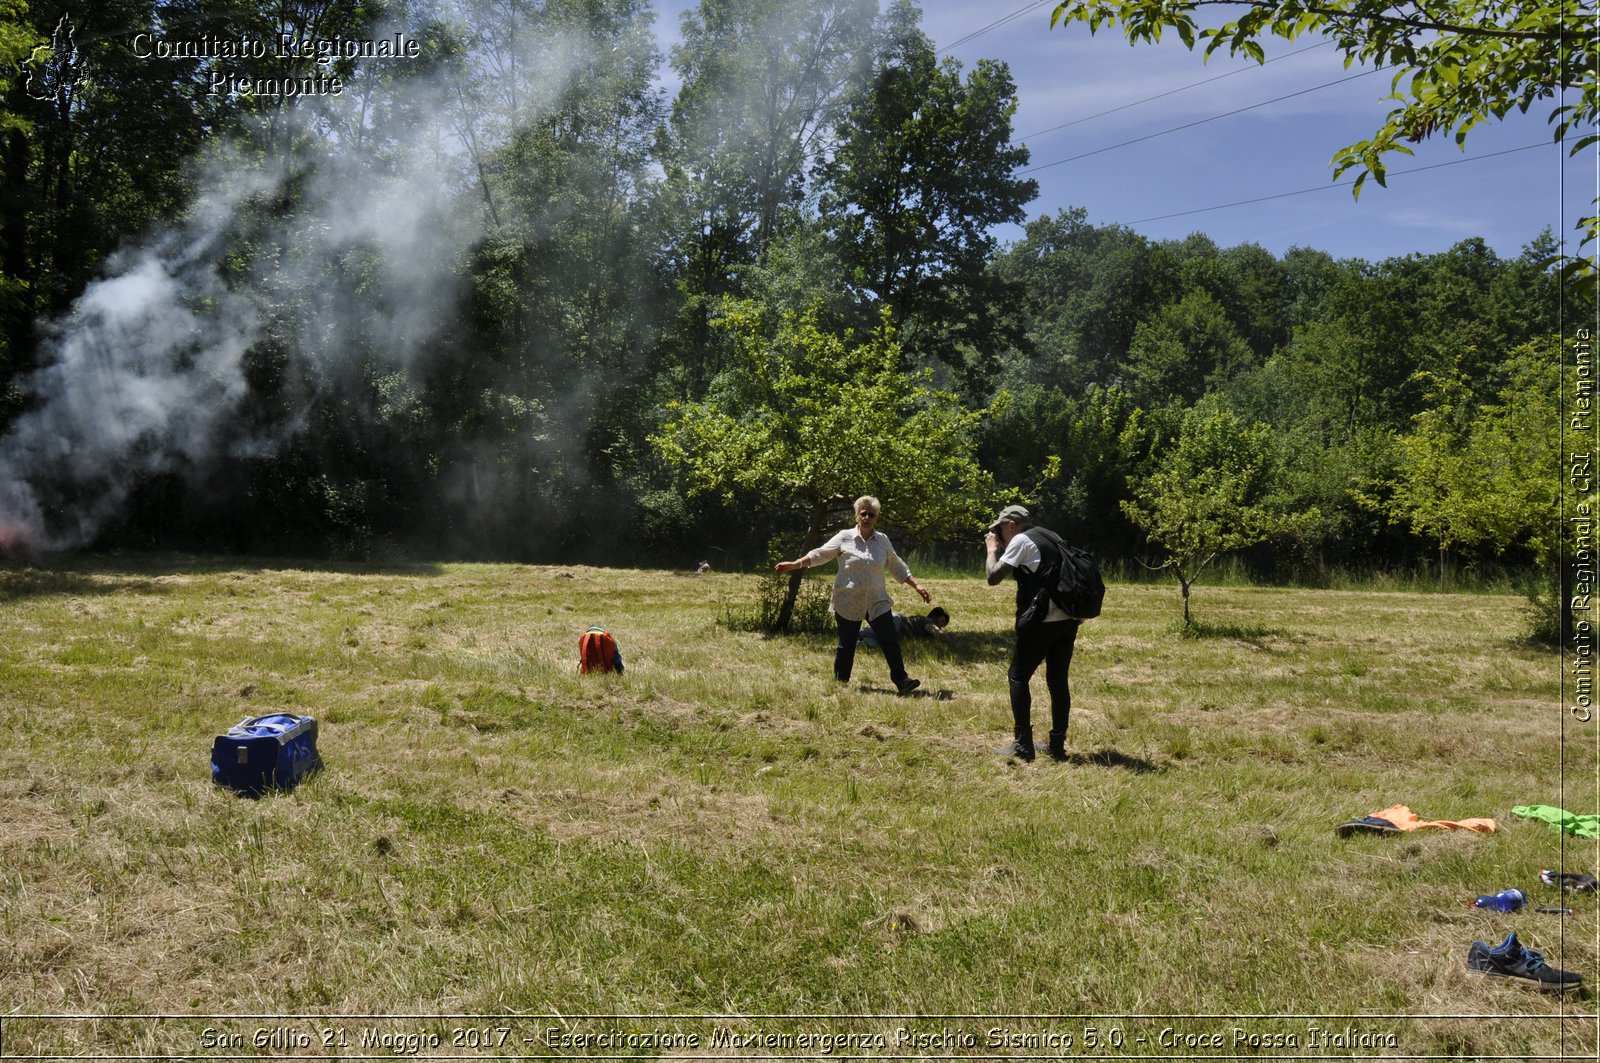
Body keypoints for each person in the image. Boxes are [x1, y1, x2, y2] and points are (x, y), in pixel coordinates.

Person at [775, 496, 931, 695]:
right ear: (857, 516)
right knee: (846, 645)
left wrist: (916, 585)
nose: (866, 517)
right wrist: (796, 564)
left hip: (877, 600)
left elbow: (896, 564)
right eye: (863, 513)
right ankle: (840, 684)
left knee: (889, 640)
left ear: (876, 518)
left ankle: (902, 681)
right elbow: (820, 554)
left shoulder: (882, 540)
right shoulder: (844, 537)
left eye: (871, 515)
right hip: (848, 599)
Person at [984, 504, 1079, 762]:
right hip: (1068, 619)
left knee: (1017, 676)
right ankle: (1057, 746)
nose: (999, 535)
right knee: (1057, 680)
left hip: (1043, 621)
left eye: (1000, 529)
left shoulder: (1022, 540)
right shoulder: (1050, 535)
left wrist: (992, 550)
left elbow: (993, 577)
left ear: (1011, 524)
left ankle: (1023, 746)